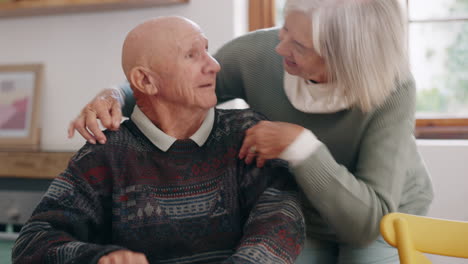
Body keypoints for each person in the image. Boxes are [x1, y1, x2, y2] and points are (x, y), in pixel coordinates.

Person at [68, 0, 435, 263]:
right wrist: (112, 94)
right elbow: (169, 83)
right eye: (285, 29)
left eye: (299, 46)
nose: (279, 47)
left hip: (377, 217)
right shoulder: (258, 54)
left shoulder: (393, 89)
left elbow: (365, 226)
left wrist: (302, 147)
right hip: (302, 210)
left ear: (345, 56)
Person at [12, 16, 305, 264]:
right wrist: (100, 257)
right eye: (192, 55)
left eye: (207, 50)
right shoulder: (104, 155)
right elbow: (32, 242)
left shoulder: (247, 132)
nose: (214, 65)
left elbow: (281, 218)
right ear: (145, 81)